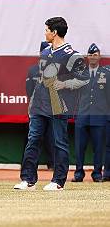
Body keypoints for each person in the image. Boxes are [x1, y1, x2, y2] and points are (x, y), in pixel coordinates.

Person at [14, 17, 87, 191]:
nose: (45, 33)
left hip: (58, 104)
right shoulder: (45, 52)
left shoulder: (72, 54)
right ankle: (28, 179)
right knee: (33, 139)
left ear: (54, 32)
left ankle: (58, 181)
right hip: (39, 103)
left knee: (59, 142)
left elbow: (84, 79)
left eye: (47, 30)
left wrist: (64, 84)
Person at [72, 44, 108, 182]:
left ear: (99, 56)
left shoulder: (106, 74)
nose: (92, 57)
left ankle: (97, 174)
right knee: (79, 147)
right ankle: (78, 174)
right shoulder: (81, 74)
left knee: (98, 148)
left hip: (99, 116)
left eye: (95, 55)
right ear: (87, 57)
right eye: (90, 55)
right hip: (82, 115)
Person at [24, 41, 55, 170]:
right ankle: (29, 170)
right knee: (34, 139)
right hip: (37, 109)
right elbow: (29, 90)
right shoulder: (33, 70)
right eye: (43, 52)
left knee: (54, 139)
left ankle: (53, 165)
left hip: (53, 109)